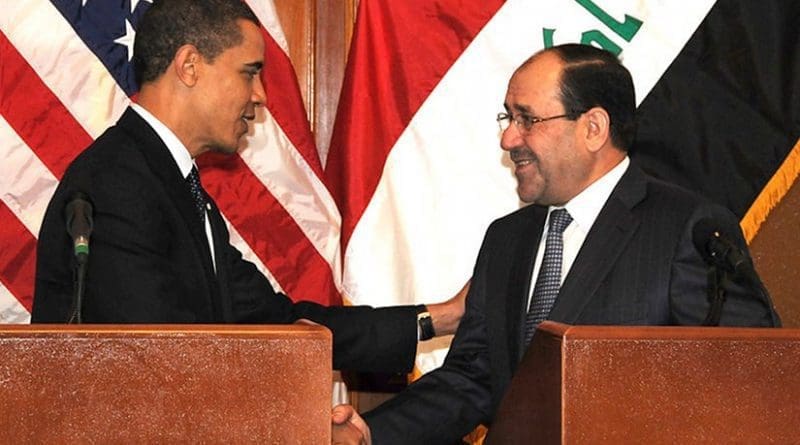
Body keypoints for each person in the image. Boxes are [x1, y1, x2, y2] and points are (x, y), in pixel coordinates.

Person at [332, 43, 781, 443]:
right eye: (509, 118)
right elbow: (473, 378)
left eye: (528, 119)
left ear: (593, 128)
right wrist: (373, 431)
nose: (509, 138)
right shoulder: (507, 238)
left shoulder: (687, 228)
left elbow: (749, 383)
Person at [31, 0, 464, 374]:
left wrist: (440, 319)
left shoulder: (171, 184)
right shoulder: (116, 187)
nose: (260, 95)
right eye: (249, 72)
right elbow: (161, 365)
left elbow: (276, 324)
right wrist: (299, 429)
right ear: (189, 66)